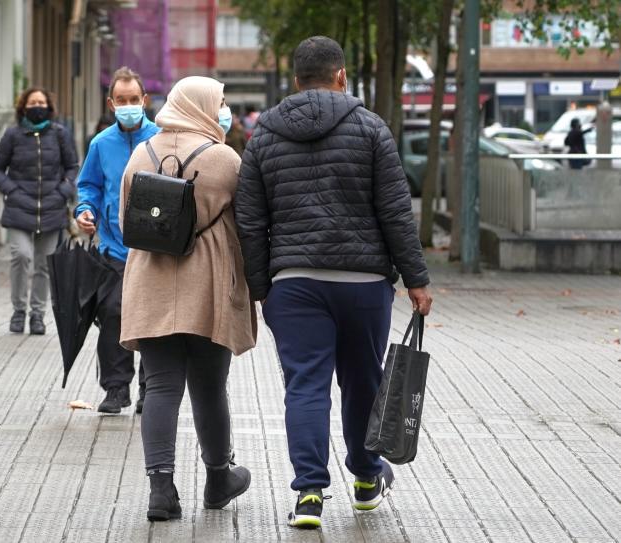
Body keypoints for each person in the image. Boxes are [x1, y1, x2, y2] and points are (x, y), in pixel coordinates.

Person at [234, 36, 433, 529]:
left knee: (306, 387)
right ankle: (366, 480)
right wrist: (417, 280)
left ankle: (308, 496)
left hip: (295, 283)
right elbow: (395, 212)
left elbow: (249, 220)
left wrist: (262, 286)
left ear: (296, 80)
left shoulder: (264, 136)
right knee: (362, 382)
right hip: (363, 284)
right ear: (340, 75)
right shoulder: (370, 128)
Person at [118, 76, 257, 522]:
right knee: (210, 386)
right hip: (208, 284)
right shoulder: (224, 158)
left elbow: (125, 217)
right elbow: (250, 223)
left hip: (151, 281)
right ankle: (218, 479)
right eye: (219, 103)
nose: (222, 110)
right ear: (202, 106)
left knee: (160, 385)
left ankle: (161, 491)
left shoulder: (142, 152)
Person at [75, 66, 158, 415]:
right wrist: (84, 210)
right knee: (113, 315)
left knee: (154, 322)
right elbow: (89, 185)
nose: (128, 105)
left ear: (145, 100)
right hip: (113, 247)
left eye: (134, 100)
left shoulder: (162, 138)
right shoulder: (101, 143)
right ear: (111, 103)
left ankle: (149, 390)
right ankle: (115, 388)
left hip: (155, 249)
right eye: (121, 100)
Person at [0, 87, 79, 335]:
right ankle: (19, 310)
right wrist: (11, 190)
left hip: (51, 209)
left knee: (44, 265)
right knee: (21, 255)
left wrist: (64, 190)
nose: (37, 105)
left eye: (41, 102)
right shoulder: (13, 135)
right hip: (19, 208)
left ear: (48, 106)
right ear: (24, 106)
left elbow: (72, 166)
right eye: (32, 102)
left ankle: (37, 315)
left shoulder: (60, 134)